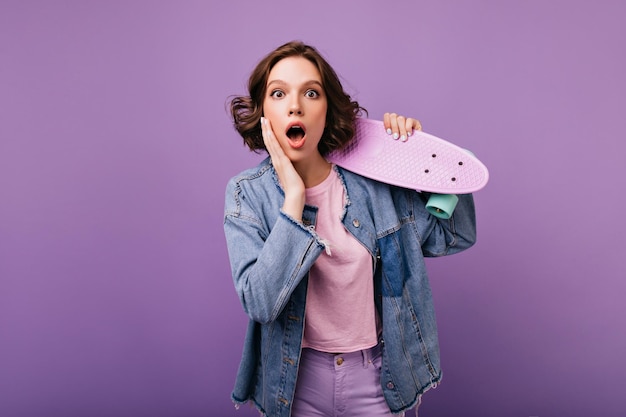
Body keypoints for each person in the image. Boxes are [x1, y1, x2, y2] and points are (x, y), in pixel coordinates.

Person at [223, 40, 477, 417]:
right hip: (293, 384)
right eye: (279, 94)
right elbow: (261, 303)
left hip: (377, 380)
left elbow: (455, 235)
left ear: (327, 110)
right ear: (263, 112)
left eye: (311, 92)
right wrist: (294, 198)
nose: (295, 105)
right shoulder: (247, 194)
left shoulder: (374, 185)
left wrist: (424, 159)